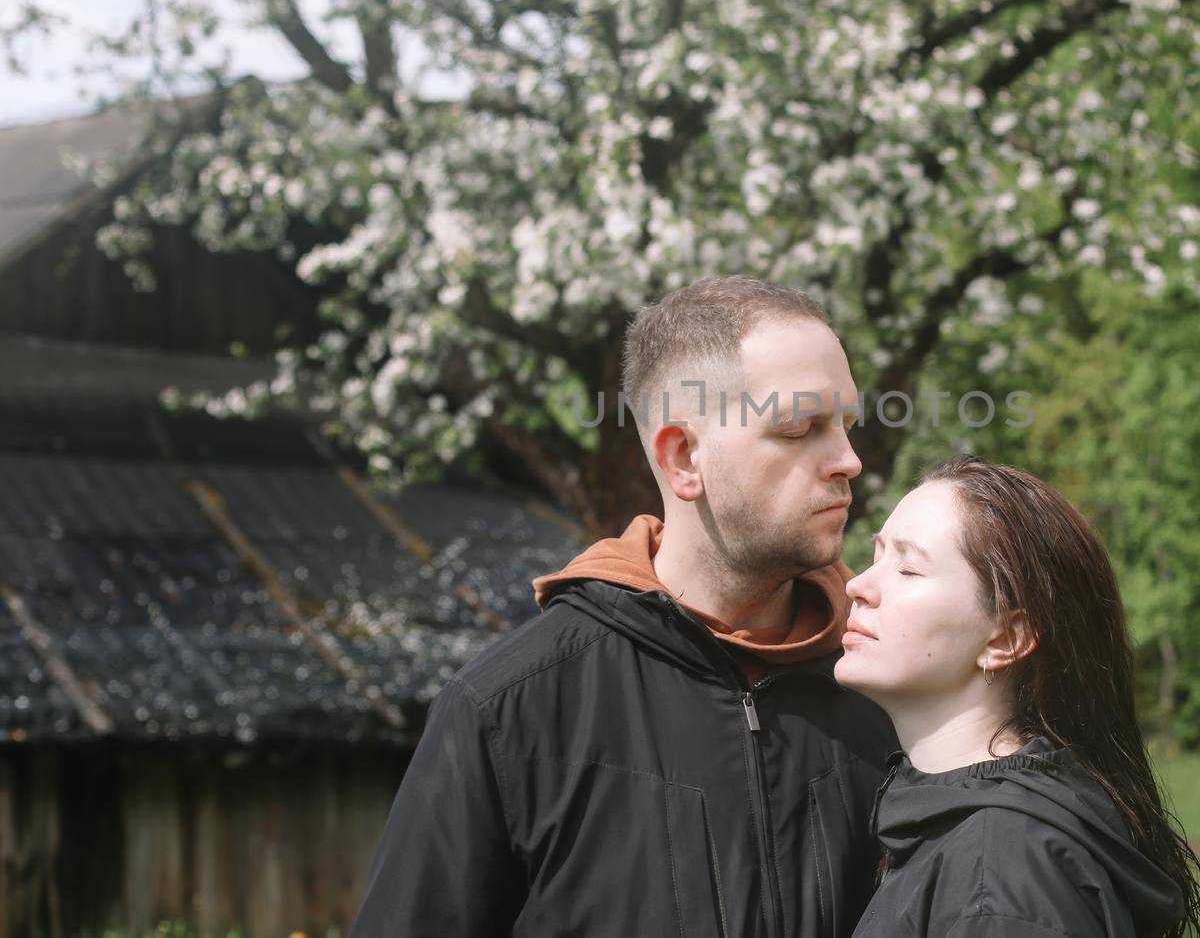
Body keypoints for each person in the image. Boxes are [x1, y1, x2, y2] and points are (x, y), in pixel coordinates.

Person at [350, 276, 897, 936]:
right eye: (802, 426)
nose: (848, 460)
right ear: (683, 456)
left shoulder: (895, 686)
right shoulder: (511, 711)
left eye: (845, 423)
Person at [836, 455, 1200, 938]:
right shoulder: (967, 835)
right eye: (876, 556)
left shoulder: (1002, 874)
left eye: (908, 569)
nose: (858, 585)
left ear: (1006, 639)